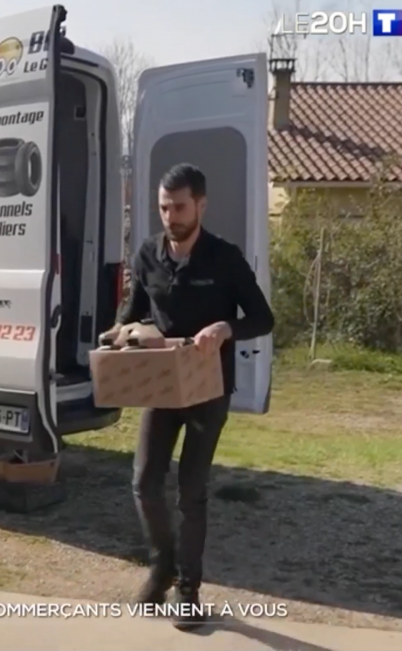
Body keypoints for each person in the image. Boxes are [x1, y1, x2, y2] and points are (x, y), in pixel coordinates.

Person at [101, 163, 274, 630]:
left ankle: (188, 590)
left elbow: (263, 318)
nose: (170, 216)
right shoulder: (148, 254)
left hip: (206, 388)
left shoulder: (225, 258)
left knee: (191, 491)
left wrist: (226, 328)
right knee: (144, 482)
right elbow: (133, 309)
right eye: (163, 207)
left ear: (200, 204)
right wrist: (117, 331)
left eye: (179, 207)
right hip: (161, 384)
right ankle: (162, 567)